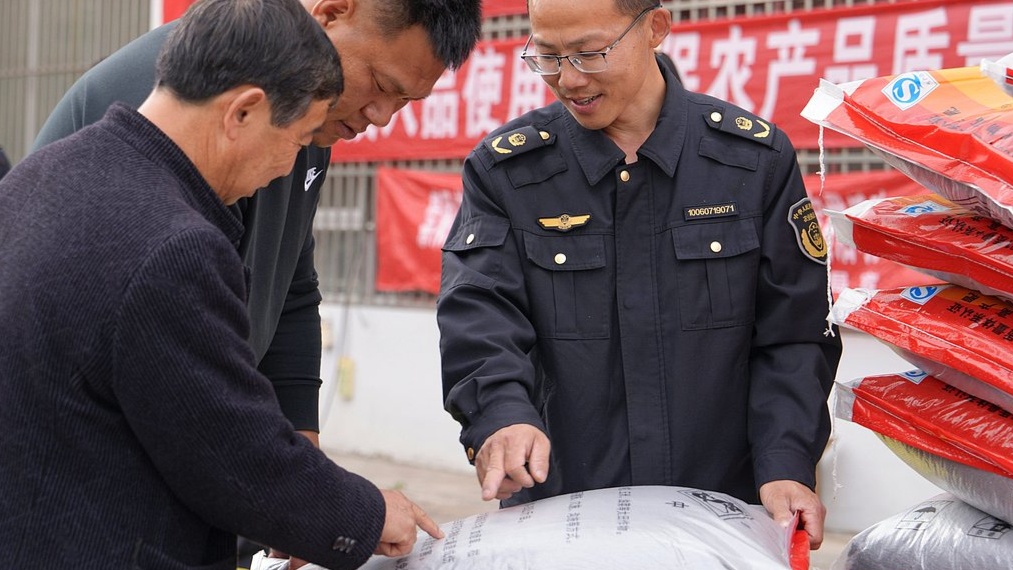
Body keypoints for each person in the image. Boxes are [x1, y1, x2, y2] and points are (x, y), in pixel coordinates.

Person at [31, 1, 481, 565]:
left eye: (406, 102)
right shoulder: (162, 209)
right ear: (332, 14)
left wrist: (300, 466)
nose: (382, 117)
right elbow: (204, 418)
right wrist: (336, 509)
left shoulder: (290, 113)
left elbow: (292, 287)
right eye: (382, 85)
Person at [437, 0, 843, 552]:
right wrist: (500, 414)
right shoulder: (508, 172)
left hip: (723, 518)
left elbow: (794, 334)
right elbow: (480, 313)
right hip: (564, 520)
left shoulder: (751, 161)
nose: (569, 80)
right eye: (548, 56)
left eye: (589, 53)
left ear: (655, 28)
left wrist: (786, 462)